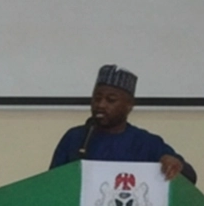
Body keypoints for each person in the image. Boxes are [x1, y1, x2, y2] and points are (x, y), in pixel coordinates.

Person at [48, 65, 195, 183]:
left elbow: (190, 177)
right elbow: (51, 183)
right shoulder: (76, 138)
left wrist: (174, 163)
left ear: (129, 105)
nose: (101, 105)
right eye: (97, 98)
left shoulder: (146, 142)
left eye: (111, 100)